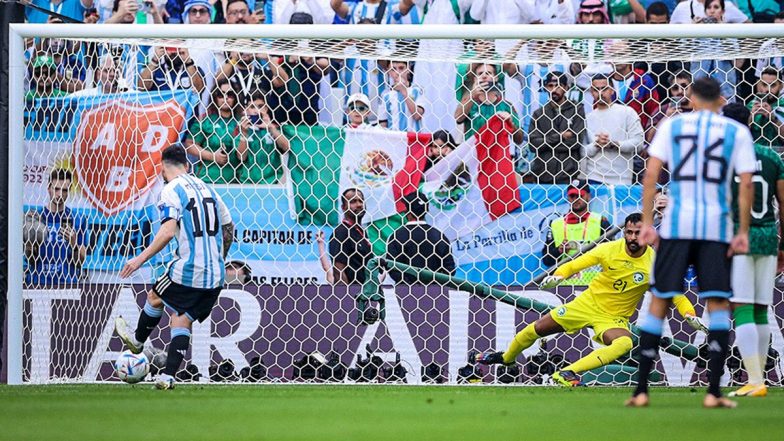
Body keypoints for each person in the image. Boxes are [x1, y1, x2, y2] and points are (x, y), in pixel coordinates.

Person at [628, 77, 756, 409]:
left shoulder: (674, 126)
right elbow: (745, 184)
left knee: (659, 301)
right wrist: (741, 230)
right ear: (720, 101)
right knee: (716, 305)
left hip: (676, 225)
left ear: (693, 98)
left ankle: (641, 391)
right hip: (716, 228)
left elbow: (651, 174)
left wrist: (646, 221)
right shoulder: (736, 132)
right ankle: (713, 393)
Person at [477, 213, 699, 386]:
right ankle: (506, 358)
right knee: (535, 329)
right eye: (628, 232)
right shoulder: (608, 250)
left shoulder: (655, 264)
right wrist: (558, 277)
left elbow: (675, 295)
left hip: (613, 318)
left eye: (637, 233)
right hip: (585, 305)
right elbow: (574, 264)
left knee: (624, 342)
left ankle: (568, 372)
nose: (632, 237)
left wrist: (689, 314)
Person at [115, 144, 235, 390]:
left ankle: (137, 341)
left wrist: (139, 259)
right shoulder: (209, 189)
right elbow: (229, 228)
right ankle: (168, 376)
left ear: (162, 168)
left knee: (155, 295)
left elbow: (168, 231)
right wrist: (219, 258)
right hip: (216, 275)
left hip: (189, 270)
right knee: (182, 317)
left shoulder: (170, 190)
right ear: (188, 166)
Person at [723, 103, 784, 398]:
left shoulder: (725, 159)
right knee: (761, 307)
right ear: (750, 121)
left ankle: (755, 380)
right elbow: (783, 204)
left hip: (740, 237)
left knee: (743, 307)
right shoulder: (772, 156)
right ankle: (760, 380)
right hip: (769, 235)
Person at [24, 169, 87, 287]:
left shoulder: (78, 219)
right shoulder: (36, 218)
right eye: (56, 189)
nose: (59, 194)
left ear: (69, 191)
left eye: (64, 190)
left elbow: (80, 263)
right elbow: (30, 260)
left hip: (66, 285)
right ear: (49, 188)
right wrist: (30, 243)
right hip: (38, 283)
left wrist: (74, 244)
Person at [541, 180, 612, 285]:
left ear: (589, 196)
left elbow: (611, 256)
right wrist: (559, 250)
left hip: (593, 284)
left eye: (580, 195)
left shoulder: (601, 221)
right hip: (564, 284)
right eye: (572, 196)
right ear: (568, 198)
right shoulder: (556, 224)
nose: (575, 199)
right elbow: (546, 261)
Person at [582, 75, 644, 185]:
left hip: (621, 179)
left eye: (604, 88)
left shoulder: (627, 112)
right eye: (596, 89)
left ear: (612, 90)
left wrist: (615, 144)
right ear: (591, 92)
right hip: (594, 177)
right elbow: (581, 151)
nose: (600, 93)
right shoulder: (587, 118)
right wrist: (597, 144)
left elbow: (639, 143)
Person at [528, 71, 586, 184]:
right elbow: (533, 145)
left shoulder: (577, 110)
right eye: (550, 86)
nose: (554, 89)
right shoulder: (538, 114)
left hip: (568, 176)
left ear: (566, 87)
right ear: (545, 88)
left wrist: (546, 143)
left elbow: (575, 142)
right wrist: (561, 136)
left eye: (558, 86)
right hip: (543, 176)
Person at [386, 191, 455, 285]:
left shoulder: (396, 236)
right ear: (426, 211)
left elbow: (392, 267)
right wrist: (436, 285)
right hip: (437, 294)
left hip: (405, 294)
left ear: (407, 211)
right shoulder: (439, 236)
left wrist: (409, 286)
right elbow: (450, 268)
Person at [185, 81, 245, 184]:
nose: (225, 98)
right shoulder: (205, 120)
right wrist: (212, 156)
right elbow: (189, 144)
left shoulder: (242, 122)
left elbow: (243, 155)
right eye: (221, 95)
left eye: (230, 94)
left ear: (236, 97)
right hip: (207, 179)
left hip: (235, 182)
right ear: (215, 97)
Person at [454, 79, 524, 144]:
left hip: (498, 155)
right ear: (475, 79)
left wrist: (510, 123)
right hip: (474, 153)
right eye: (480, 73)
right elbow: (458, 118)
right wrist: (472, 96)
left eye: (489, 73)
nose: (484, 75)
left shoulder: (506, 106)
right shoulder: (469, 104)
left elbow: (519, 140)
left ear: (495, 78)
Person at [329, 188, 374, 284]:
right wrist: (346, 296)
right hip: (352, 294)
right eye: (353, 202)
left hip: (365, 292)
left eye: (361, 201)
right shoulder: (341, 232)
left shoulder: (361, 232)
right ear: (343, 207)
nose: (359, 205)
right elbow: (338, 271)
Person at [378, 60, 426, 132]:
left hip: (413, 139)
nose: (397, 72)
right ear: (389, 72)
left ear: (408, 69)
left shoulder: (417, 91)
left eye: (401, 68)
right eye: (393, 69)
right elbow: (383, 123)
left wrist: (404, 91)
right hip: (393, 139)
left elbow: (417, 116)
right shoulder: (386, 95)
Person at [138, 46, 205, 95]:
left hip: (186, 113)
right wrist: (155, 59)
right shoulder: (156, 70)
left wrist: (188, 61)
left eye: (177, 48)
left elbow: (199, 89)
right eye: (170, 48)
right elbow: (141, 88)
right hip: (161, 113)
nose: (173, 52)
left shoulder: (194, 70)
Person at [747, 67, 784, 150]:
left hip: (779, 156)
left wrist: (773, 118)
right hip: (755, 155)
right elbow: (740, 135)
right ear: (759, 85)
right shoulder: (751, 105)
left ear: (781, 86)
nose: (768, 89)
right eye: (764, 85)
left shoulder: (782, 106)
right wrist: (750, 116)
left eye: (773, 85)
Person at [669, 0, 749, 23]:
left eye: (716, 7)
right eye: (709, 7)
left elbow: (750, 27)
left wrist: (742, 57)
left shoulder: (727, 5)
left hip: (723, 60)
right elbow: (669, 35)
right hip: (693, 61)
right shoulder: (682, 6)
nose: (712, 10)